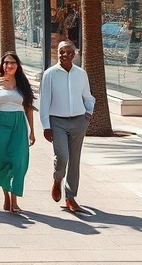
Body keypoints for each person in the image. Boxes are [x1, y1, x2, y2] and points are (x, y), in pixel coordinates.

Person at [39, 41, 94, 212]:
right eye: (61, 51)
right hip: (57, 122)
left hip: (79, 121)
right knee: (62, 156)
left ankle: (71, 197)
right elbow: (44, 101)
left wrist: (88, 114)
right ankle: (58, 179)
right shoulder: (49, 74)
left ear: (74, 54)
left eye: (69, 52)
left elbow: (87, 96)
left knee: (75, 160)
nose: (65, 55)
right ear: (57, 53)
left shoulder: (81, 74)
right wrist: (46, 126)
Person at [0, 52, 36, 213]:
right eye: (6, 63)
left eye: (13, 62)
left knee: (19, 161)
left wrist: (32, 131)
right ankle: (6, 195)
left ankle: (15, 199)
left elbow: (28, 108)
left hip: (19, 124)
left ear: (18, 65)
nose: (9, 65)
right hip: (0, 124)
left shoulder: (23, 83)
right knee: (3, 160)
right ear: (2, 65)